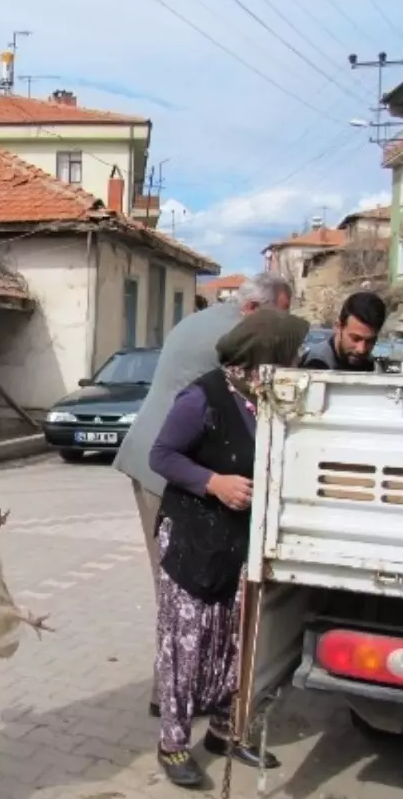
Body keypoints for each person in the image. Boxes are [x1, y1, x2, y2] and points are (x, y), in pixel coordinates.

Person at [112, 272, 291, 716]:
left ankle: (190, 687)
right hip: (167, 467)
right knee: (179, 589)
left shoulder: (212, 317)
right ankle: (169, 698)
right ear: (253, 311)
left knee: (188, 589)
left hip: (169, 462)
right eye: (277, 319)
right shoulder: (229, 336)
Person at [147, 308, 309, 788]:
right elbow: (162, 455)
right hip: (193, 540)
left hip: (237, 543)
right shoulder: (205, 397)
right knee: (187, 646)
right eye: (291, 352)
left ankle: (224, 730)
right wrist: (213, 481)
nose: (298, 359)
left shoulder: (267, 398)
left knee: (233, 643)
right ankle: (173, 745)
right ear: (267, 354)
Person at [300, 290, 387, 372]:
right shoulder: (316, 364)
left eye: (370, 341)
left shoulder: (372, 366)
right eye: (355, 338)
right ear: (338, 327)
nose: (361, 349)